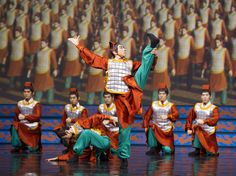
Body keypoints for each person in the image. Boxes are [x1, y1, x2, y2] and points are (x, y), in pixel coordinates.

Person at [68, 32, 159, 168]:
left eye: (125, 48)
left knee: (142, 69)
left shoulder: (129, 63)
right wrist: (79, 46)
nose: (125, 49)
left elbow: (147, 67)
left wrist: (153, 57)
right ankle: (124, 157)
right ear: (115, 52)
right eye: (122, 48)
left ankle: (150, 46)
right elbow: (92, 59)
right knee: (125, 128)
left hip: (132, 88)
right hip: (122, 100)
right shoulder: (108, 63)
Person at [143, 83, 179, 155]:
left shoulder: (171, 105)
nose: (161, 95)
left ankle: (164, 146)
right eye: (160, 94)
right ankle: (153, 147)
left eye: (163, 94)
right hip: (156, 128)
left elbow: (176, 115)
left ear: (166, 95)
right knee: (151, 127)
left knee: (167, 151)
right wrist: (145, 126)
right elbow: (147, 116)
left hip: (166, 131)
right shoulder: (154, 104)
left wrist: (168, 116)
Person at [185, 85, 219, 156]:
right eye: (203, 95)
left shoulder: (213, 108)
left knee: (210, 153)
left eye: (207, 95)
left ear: (210, 97)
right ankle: (197, 149)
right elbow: (190, 117)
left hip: (208, 131)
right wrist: (188, 128)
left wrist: (204, 121)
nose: (205, 97)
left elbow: (215, 119)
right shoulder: (197, 106)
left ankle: (207, 150)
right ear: (201, 96)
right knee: (197, 127)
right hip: (199, 129)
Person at [10, 82, 42, 153]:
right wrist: (18, 119)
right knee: (14, 125)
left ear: (32, 93)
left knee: (32, 149)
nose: (26, 93)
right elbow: (16, 117)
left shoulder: (36, 104)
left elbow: (37, 116)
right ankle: (18, 145)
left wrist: (25, 117)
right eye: (25, 92)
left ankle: (31, 145)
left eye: (28, 92)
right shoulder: (20, 103)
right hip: (22, 124)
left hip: (32, 125)